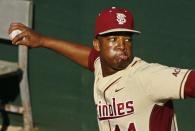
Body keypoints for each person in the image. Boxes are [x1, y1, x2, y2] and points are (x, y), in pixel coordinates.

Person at [8, 7, 195, 131]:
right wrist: (43, 41)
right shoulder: (103, 67)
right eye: (113, 39)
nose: (122, 45)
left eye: (127, 39)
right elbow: (91, 59)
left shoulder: (146, 76)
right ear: (97, 44)